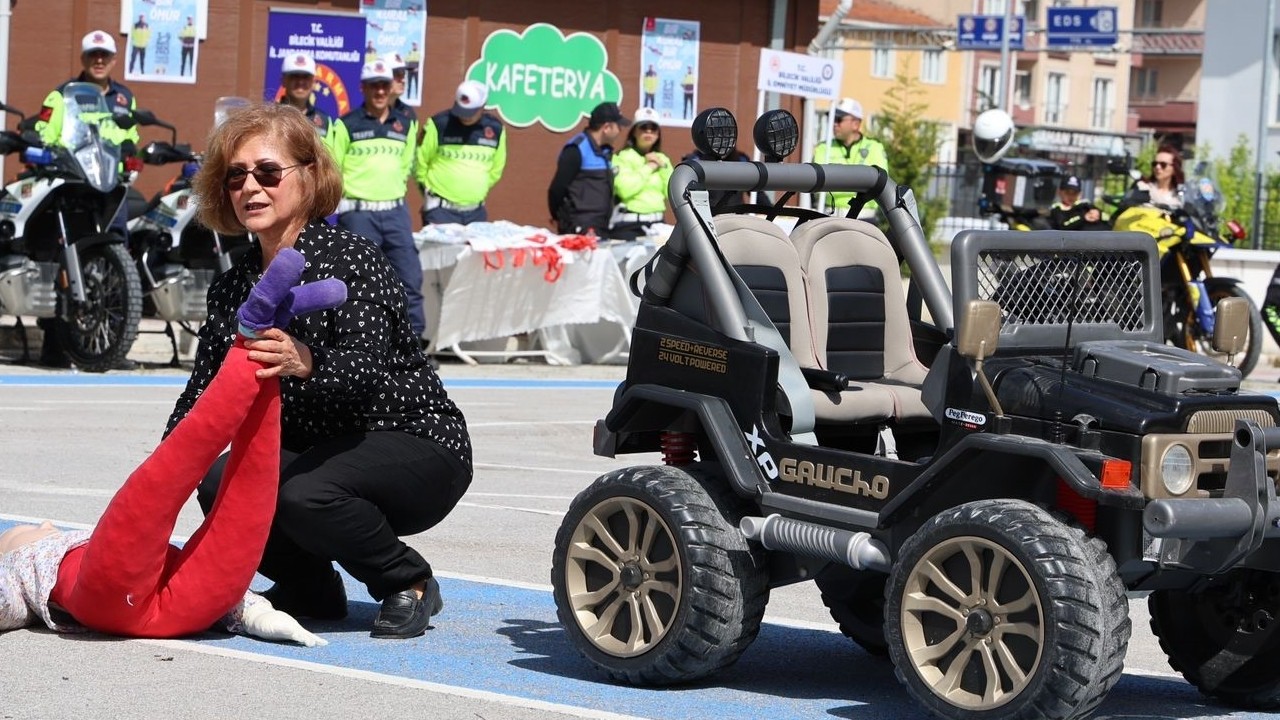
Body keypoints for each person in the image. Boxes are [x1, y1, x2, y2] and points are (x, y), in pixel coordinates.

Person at [173, 102, 472, 640]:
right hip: (317, 452)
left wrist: (305, 362)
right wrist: (165, 470)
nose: (250, 187)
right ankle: (310, 587)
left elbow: (365, 371)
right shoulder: (232, 286)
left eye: (268, 172)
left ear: (308, 177)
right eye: (236, 176)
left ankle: (407, 580)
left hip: (411, 438)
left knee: (304, 494)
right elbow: (202, 390)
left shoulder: (352, 258)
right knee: (217, 481)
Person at [1, 250, 343, 648]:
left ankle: (260, 332)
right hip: (115, 596)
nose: (41, 525)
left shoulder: (44, 557)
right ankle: (255, 332)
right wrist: (256, 612)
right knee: (177, 474)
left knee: (231, 493)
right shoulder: (26, 561)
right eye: (22, 532)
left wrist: (257, 613)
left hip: (158, 603)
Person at [34, 30, 141, 369]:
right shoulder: (62, 94)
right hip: (75, 185)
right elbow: (44, 132)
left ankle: (112, 346)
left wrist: (130, 148)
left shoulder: (124, 98)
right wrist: (50, 149)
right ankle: (54, 345)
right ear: (83, 58)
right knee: (63, 259)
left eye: (104, 55)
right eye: (93, 54)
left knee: (114, 265)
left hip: (110, 186)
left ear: (113, 59)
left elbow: (130, 133)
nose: (99, 60)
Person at [328, 60, 427, 346]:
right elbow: (333, 166)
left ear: (391, 86)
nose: (380, 91)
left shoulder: (406, 123)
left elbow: (406, 165)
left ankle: (412, 346)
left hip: (395, 213)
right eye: (374, 85)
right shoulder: (346, 124)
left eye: (384, 84)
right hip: (359, 216)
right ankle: (357, 343)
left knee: (409, 279)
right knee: (358, 283)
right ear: (363, 88)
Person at [416, 80, 506, 226]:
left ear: (483, 106)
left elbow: (496, 169)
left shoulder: (496, 129)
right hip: (440, 210)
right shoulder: (438, 124)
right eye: (461, 111)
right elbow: (420, 161)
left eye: (470, 112)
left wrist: (475, 188)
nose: (465, 116)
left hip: (476, 212)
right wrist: (428, 191)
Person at [548, 101, 629, 236]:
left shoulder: (604, 151)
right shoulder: (576, 149)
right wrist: (559, 218)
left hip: (600, 226)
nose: (620, 130)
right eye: (618, 126)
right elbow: (557, 189)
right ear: (606, 127)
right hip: (580, 227)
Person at [812, 98, 889, 218]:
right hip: (829, 214)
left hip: (864, 217)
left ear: (856, 124)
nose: (834, 124)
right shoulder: (823, 148)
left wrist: (835, 181)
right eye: (832, 118)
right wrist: (859, 184)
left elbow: (879, 184)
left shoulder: (874, 147)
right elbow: (817, 185)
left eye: (838, 119)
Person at [609, 107, 671, 241]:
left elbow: (671, 192)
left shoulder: (662, 159)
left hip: (658, 224)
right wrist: (649, 167)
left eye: (653, 128)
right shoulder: (622, 157)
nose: (649, 131)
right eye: (643, 127)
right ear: (634, 132)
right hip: (629, 225)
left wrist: (663, 167)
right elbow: (624, 190)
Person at [277, 52, 334, 142]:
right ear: (283, 81)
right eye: (294, 76)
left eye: (306, 77)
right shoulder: (271, 116)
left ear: (313, 82)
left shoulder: (325, 121)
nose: (300, 82)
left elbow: (329, 150)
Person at [681, 147, 752, 209]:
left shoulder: (742, 160)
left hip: (735, 214)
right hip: (708, 214)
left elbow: (755, 193)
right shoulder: (695, 161)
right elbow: (684, 194)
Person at [1136, 145, 1185, 210]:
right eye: (1155, 164)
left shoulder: (1180, 196)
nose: (1157, 167)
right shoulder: (1143, 187)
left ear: (1174, 169)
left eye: (1163, 164)